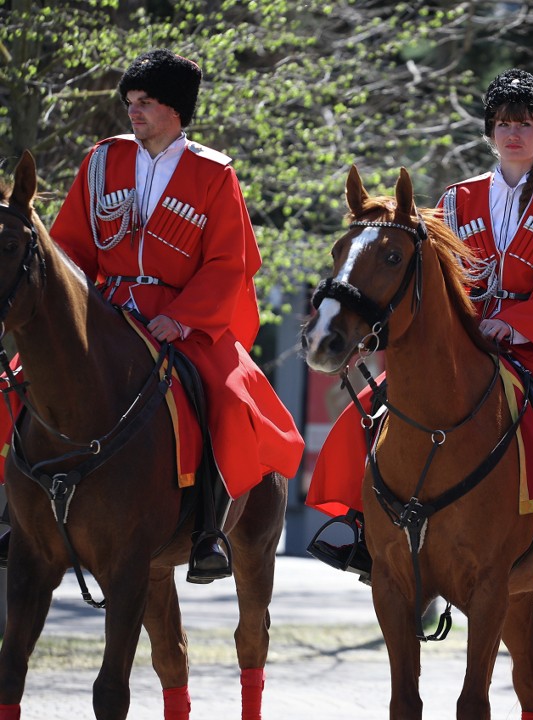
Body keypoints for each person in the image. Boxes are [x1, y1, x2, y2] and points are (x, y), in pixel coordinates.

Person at [307, 68, 533, 607]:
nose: (513, 134)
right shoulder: (456, 198)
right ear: (489, 131)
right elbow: (435, 278)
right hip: (468, 341)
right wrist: (464, 324)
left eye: (525, 124)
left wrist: (518, 323)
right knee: (367, 411)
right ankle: (366, 535)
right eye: (503, 123)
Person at [0, 49, 305, 583]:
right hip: (102, 312)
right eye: (129, 102)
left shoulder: (214, 175)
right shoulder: (102, 160)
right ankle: (16, 515)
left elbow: (228, 263)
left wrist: (183, 318)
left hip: (179, 320)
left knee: (227, 401)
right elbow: (69, 246)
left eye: (145, 103)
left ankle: (209, 528)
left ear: (176, 110)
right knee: (19, 382)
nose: (133, 112)